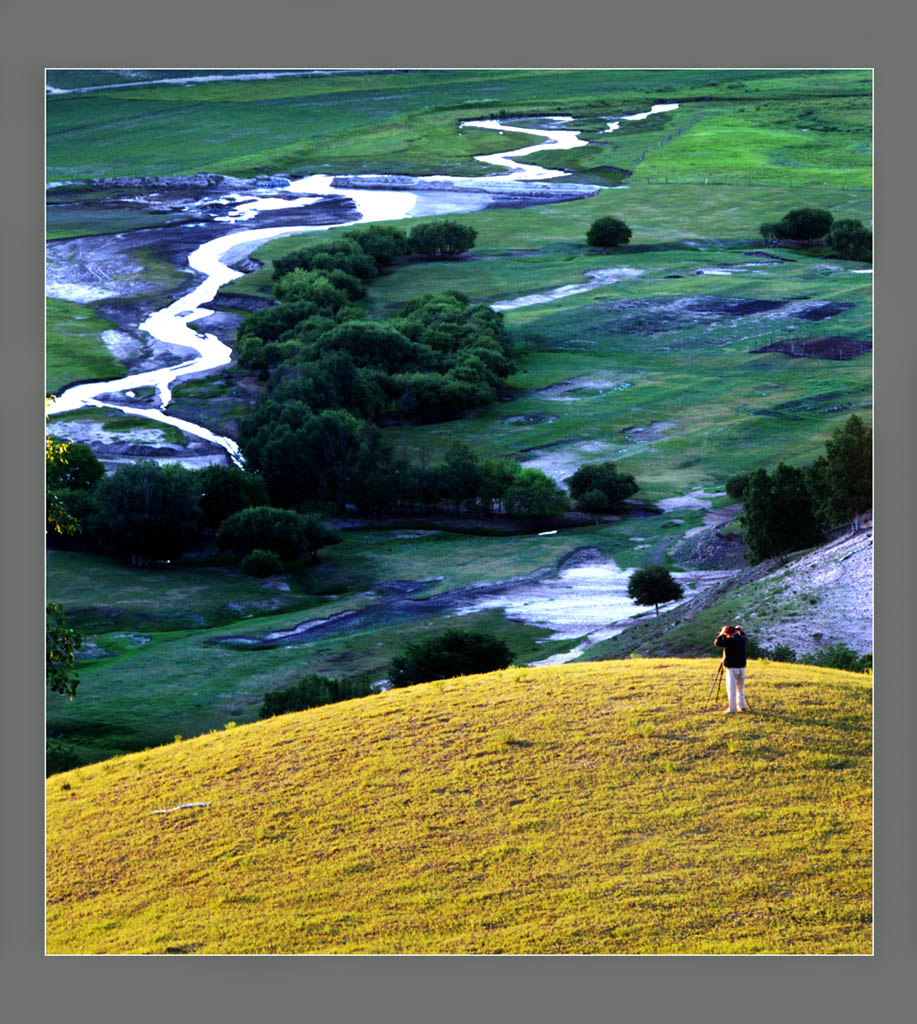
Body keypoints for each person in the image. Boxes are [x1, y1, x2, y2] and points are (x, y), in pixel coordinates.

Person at [714, 624, 748, 713]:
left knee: (731, 688)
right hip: (742, 667)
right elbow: (744, 635)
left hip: (732, 668)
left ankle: (732, 709)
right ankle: (742, 706)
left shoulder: (730, 641)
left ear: (728, 634)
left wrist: (721, 633)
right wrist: (740, 630)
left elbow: (717, 642)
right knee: (740, 688)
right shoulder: (742, 639)